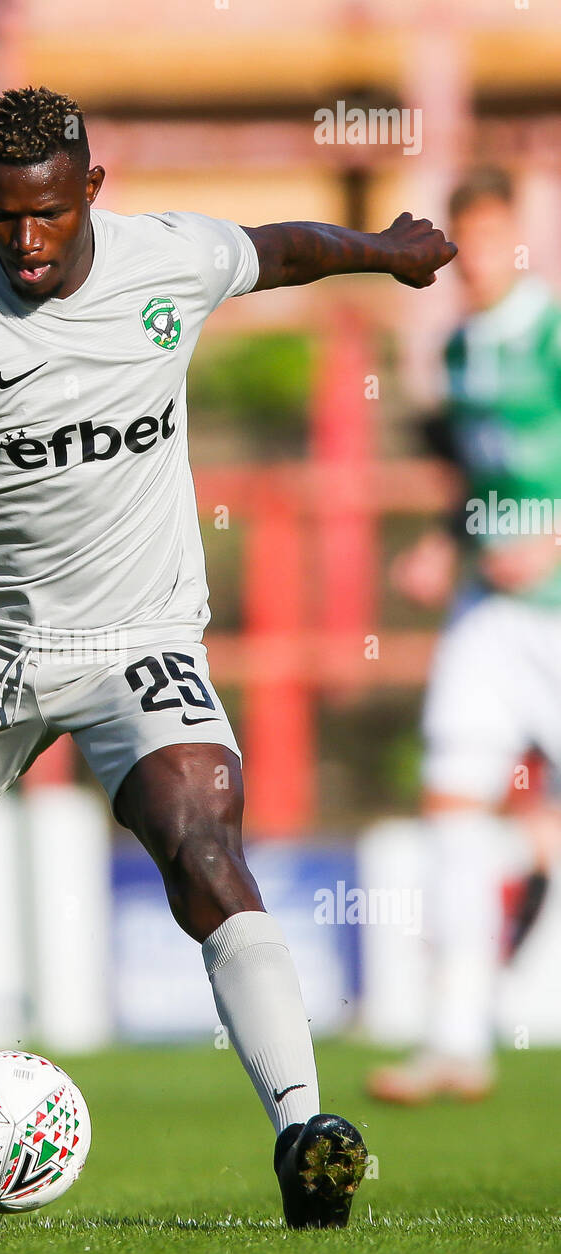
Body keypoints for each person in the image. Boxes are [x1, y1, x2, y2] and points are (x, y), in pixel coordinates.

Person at [0, 86, 455, 1227]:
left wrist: (386, 250)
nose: (26, 242)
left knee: (201, 836)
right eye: (2, 218)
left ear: (92, 188)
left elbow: (285, 249)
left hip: (137, 638)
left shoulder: (170, 259)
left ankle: (304, 1132)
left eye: (47, 213)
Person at [369, 168, 561, 1104]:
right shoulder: (454, 353)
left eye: (490, 238)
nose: (475, 258)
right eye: (464, 240)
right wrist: (445, 546)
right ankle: (455, 1042)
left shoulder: (553, 333)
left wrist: (552, 536)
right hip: (487, 613)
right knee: (451, 809)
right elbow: (468, 478)